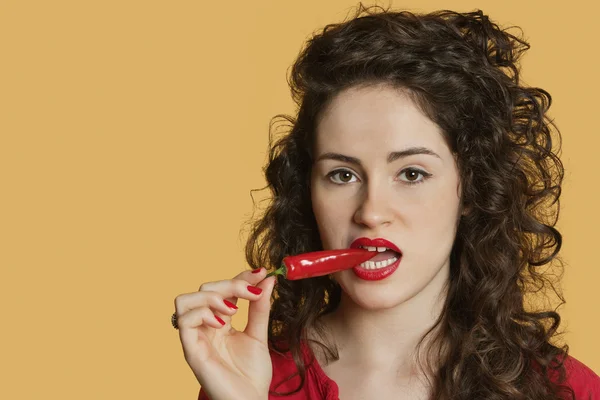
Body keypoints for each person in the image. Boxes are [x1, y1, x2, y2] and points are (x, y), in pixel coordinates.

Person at [172, 5, 600, 399]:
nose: (371, 212)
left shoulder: (566, 390)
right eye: (342, 175)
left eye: (411, 174)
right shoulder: (253, 377)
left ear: (471, 188)